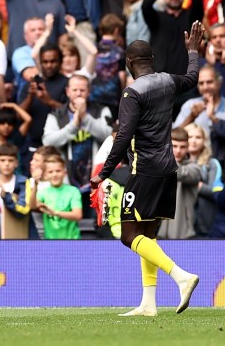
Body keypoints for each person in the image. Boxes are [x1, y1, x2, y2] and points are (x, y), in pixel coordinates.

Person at [90, 22, 203, 317]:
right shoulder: (167, 81)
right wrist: (192, 51)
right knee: (147, 237)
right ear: (150, 61)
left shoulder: (132, 93)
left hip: (145, 170)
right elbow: (192, 78)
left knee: (128, 236)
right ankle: (148, 304)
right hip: (168, 170)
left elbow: (123, 135)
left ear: (128, 63)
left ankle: (181, 276)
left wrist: (103, 173)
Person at [38, 156, 83, 239]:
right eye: (50, 172)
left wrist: (55, 213)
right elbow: (33, 205)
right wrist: (35, 183)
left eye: (58, 171)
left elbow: (78, 215)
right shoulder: (43, 192)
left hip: (72, 240)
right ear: (45, 175)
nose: (55, 174)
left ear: (65, 173)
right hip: (51, 242)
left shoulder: (73, 191)